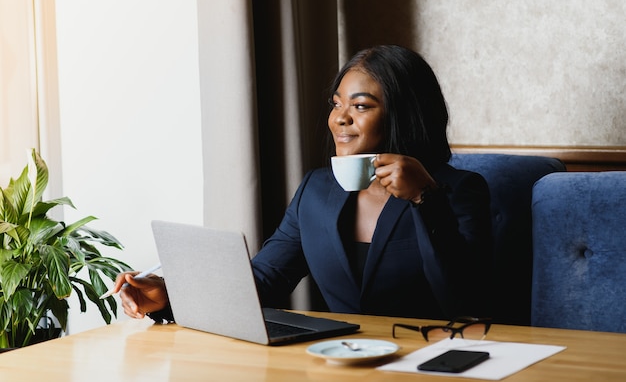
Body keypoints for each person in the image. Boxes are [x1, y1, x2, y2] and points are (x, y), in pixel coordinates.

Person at [113, 44, 493, 322]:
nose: (340, 119)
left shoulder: (458, 190)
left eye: (360, 106)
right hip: (336, 363)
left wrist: (425, 198)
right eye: (336, 104)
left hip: (427, 361)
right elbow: (265, 280)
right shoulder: (317, 190)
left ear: (403, 116)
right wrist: (170, 295)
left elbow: (464, 303)